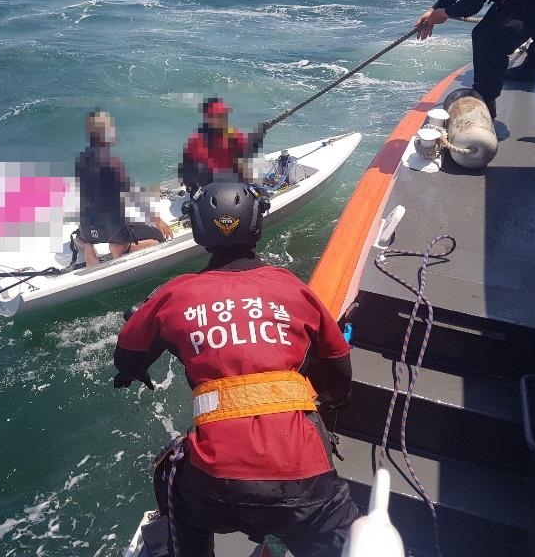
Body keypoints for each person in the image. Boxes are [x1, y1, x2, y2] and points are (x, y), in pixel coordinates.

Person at [114, 182, 358, 556]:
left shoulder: (174, 295)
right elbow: (338, 368)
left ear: (197, 228)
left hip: (215, 487)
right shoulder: (293, 289)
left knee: (169, 478)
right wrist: (333, 398)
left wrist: (134, 370)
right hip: (305, 486)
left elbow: (127, 354)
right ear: (257, 224)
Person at [74, 110, 173, 265]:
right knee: (158, 237)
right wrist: (158, 220)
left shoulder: (81, 161)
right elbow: (134, 196)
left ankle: (86, 246)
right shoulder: (112, 163)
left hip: (88, 230)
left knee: (78, 238)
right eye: (111, 127)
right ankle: (122, 247)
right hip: (112, 232)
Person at [179, 97, 264, 195]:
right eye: (219, 116)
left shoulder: (234, 135)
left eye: (224, 115)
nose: (223, 119)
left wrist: (257, 139)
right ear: (207, 118)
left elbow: (248, 151)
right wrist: (190, 184)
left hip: (234, 186)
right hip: (208, 190)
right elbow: (185, 167)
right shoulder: (196, 141)